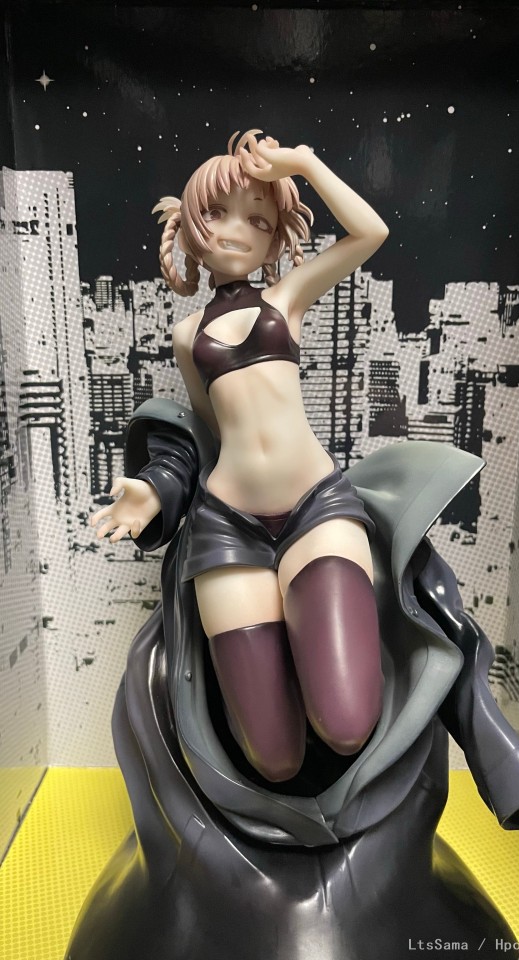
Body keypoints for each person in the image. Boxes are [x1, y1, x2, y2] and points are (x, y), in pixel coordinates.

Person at [91, 129, 390, 782]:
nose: (236, 231)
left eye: (258, 220)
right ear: (190, 225)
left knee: (345, 723)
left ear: (276, 239)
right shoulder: (186, 335)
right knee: (273, 757)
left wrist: (305, 163)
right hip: (227, 528)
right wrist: (157, 485)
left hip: (315, 511)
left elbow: (370, 232)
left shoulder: (286, 299)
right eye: (218, 213)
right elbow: (209, 431)